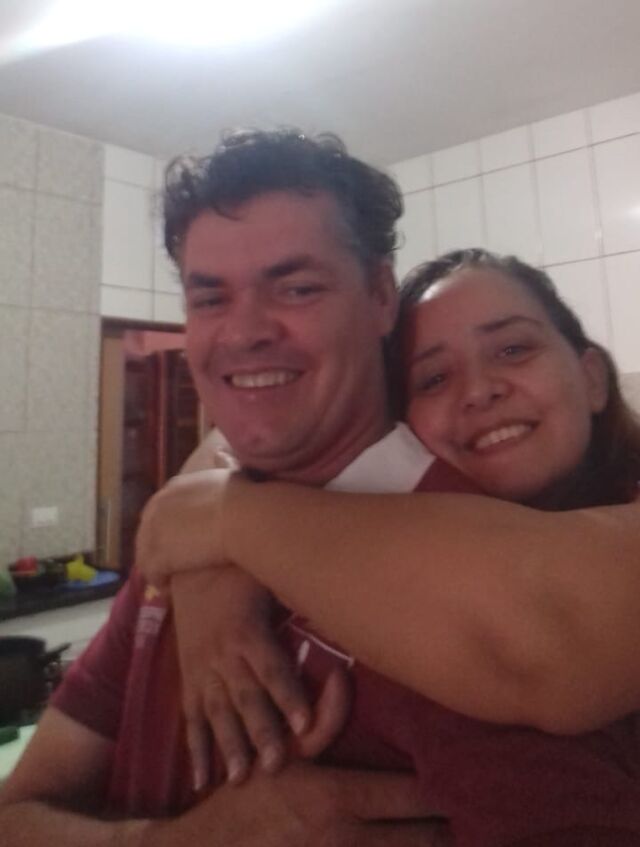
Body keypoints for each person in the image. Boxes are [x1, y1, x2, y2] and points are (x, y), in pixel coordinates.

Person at [0, 129, 453, 847]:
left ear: (378, 295)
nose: (242, 334)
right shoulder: (183, 549)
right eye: (209, 298)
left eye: (296, 288)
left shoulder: (473, 553)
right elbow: (15, 816)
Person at [136, 250, 640, 846]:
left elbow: (553, 626)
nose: (480, 391)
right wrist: (218, 571)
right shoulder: (360, 563)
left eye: (513, 349)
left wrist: (228, 519)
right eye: (433, 379)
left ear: (591, 378)